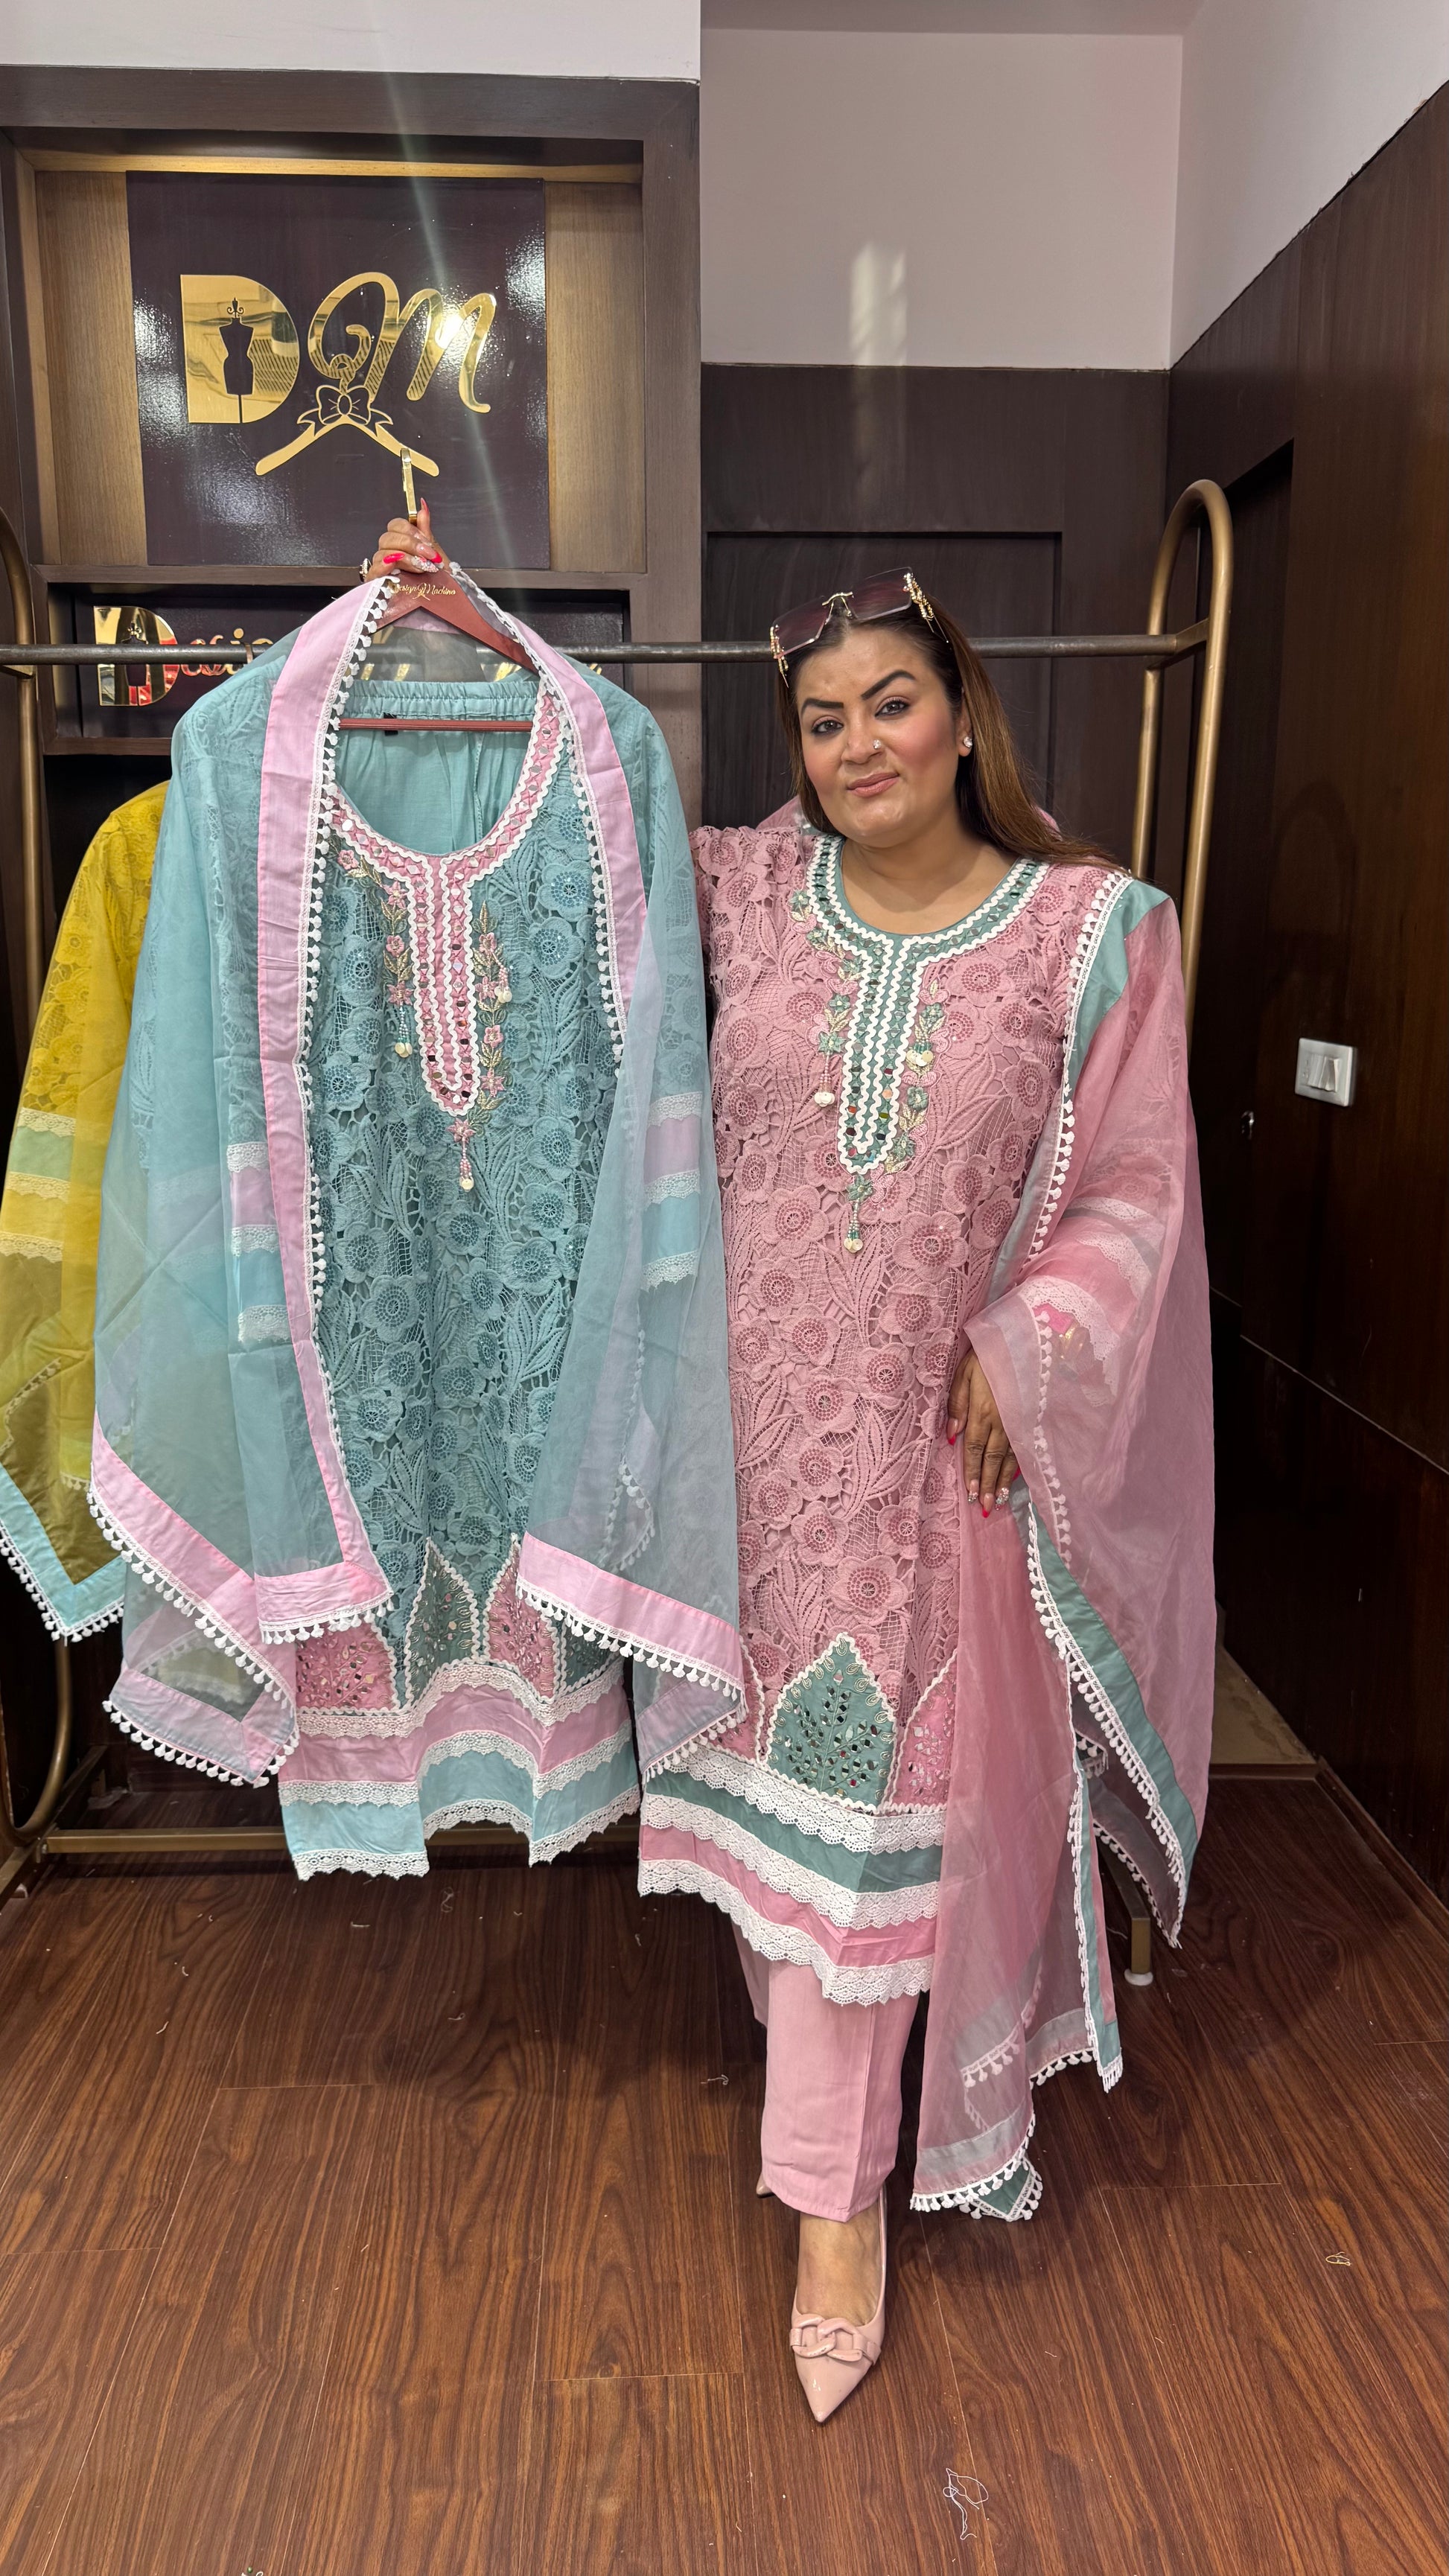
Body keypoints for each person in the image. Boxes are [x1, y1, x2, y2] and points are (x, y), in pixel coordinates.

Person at [369, 515, 1214, 2422]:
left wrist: (1036, 1332)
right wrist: (486, 640)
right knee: (773, 1830)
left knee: (868, 1815)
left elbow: (1138, 1194)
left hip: (936, 1465)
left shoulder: (1095, 932)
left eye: (889, 702)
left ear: (961, 709)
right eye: (822, 719)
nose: (856, 745)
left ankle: (833, 2201)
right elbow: (574, 826)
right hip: (734, 1456)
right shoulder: (745, 891)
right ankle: (830, 2100)